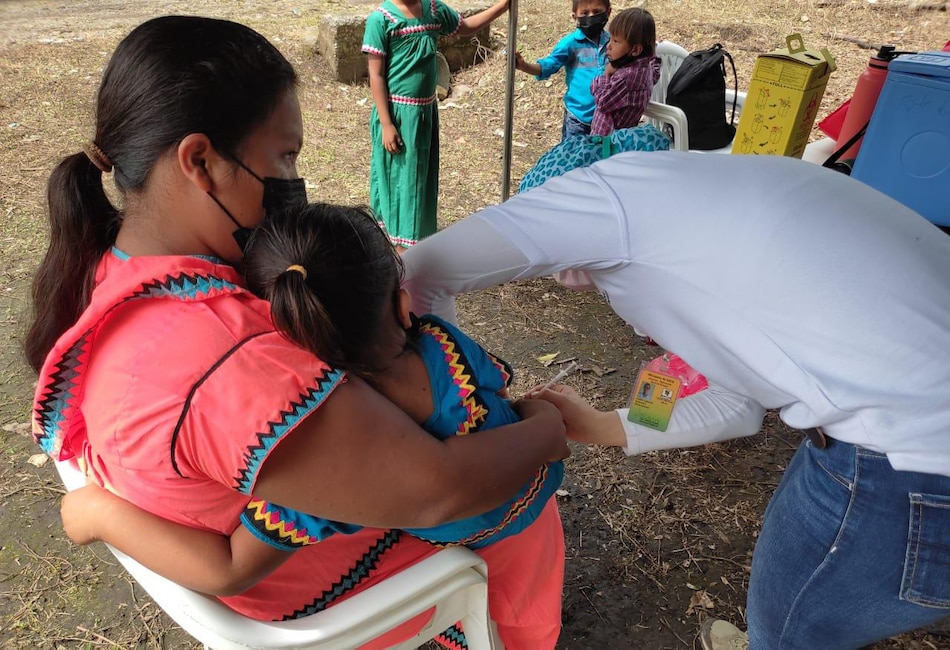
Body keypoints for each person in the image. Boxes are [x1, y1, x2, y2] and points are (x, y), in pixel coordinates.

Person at [26, 16, 567, 649]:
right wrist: (552, 428)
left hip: (256, 552)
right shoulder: (230, 362)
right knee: (524, 506)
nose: (292, 180)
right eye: (284, 156)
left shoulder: (114, 264)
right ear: (200, 161)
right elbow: (440, 491)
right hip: (331, 592)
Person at [402, 150, 950, 649]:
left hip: (908, 462)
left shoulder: (606, 197)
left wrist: (471, 401)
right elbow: (737, 402)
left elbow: (420, 273)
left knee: (791, 629)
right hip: (906, 437)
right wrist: (601, 425)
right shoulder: (707, 199)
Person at [60, 203, 564, 596]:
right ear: (401, 305)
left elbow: (229, 568)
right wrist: (546, 422)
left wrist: (101, 515)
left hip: (459, 545)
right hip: (532, 508)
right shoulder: (444, 344)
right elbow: (500, 387)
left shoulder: (327, 456)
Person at [362, 0, 510, 250]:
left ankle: (414, 241)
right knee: (397, 179)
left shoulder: (433, 10)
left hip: (424, 114)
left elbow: (466, 26)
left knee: (419, 180)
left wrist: (502, 7)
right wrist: (386, 124)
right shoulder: (381, 20)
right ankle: (396, 246)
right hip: (397, 116)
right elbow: (376, 75)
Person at [513, 0, 611, 140]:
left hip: (606, 118)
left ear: (608, 12)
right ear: (575, 17)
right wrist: (524, 66)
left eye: (596, 12)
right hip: (578, 118)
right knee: (573, 153)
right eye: (584, 13)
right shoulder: (570, 43)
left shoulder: (613, 42)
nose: (591, 16)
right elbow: (548, 66)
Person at [589, 7, 661, 136]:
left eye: (616, 41)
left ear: (636, 50)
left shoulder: (626, 78)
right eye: (610, 39)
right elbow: (655, 69)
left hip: (607, 141)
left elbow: (603, 102)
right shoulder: (645, 67)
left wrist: (605, 75)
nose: (609, 45)